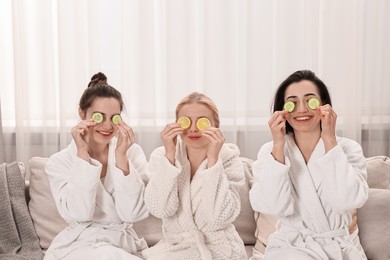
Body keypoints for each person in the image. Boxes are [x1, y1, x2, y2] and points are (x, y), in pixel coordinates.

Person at [249, 70, 369, 260]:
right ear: (282, 110)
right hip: (289, 248)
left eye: (310, 100)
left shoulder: (347, 149)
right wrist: (278, 145)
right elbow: (271, 206)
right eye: (292, 103)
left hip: (339, 247)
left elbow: (347, 201)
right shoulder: (270, 151)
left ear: (324, 106)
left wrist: (329, 139)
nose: (302, 109)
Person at [44, 72, 149, 260]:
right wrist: (82, 154)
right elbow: (80, 213)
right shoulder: (58, 162)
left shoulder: (132, 152)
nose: (108, 126)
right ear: (81, 114)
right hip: (78, 246)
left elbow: (132, 213)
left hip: (121, 245)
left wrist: (121, 157)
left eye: (114, 118)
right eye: (99, 117)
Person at [142, 92, 247, 260]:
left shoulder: (228, 159)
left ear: (216, 125)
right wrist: (169, 157)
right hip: (176, 248)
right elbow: (160, 208)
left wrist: (213, 162)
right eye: (186, 121)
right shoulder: (161, 157)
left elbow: (217, 219)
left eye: (202, 121)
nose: (193, 128)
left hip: (220, 249)